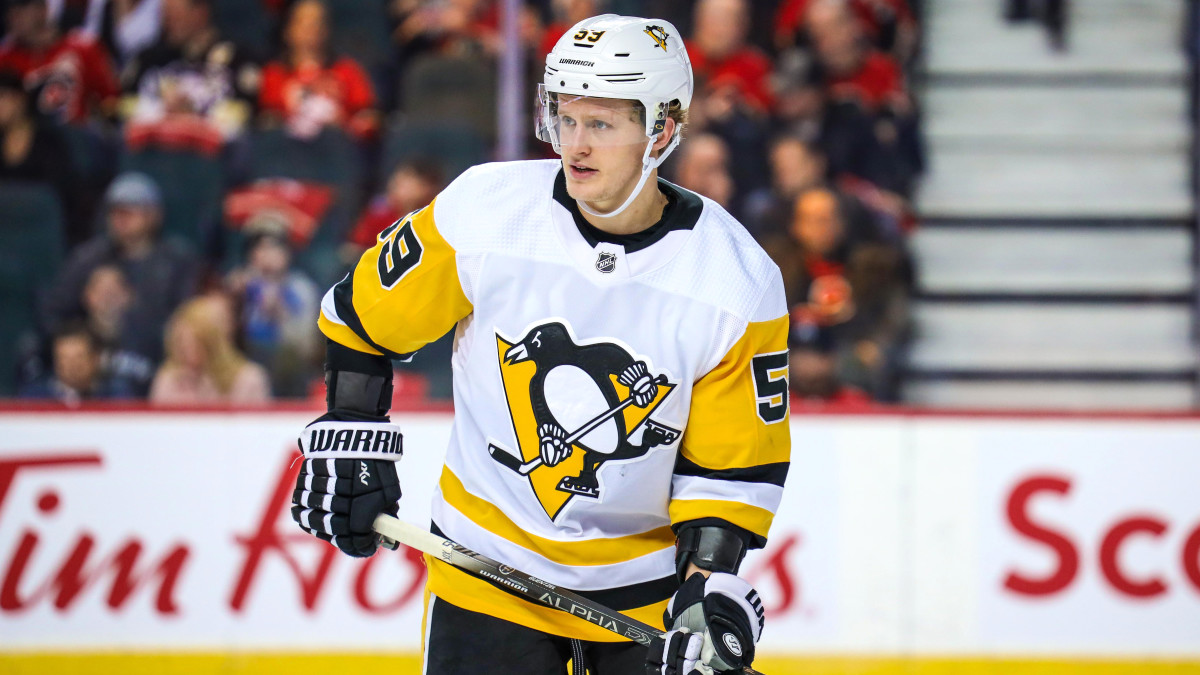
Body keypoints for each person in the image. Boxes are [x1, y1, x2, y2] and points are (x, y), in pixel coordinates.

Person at [288, 14, 786, 675]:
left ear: (662, 130)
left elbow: (727, 470)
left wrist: (708, 583)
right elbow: (364, 318)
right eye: (565, 118)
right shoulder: (485, 211)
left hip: (647, 603)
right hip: (484, 576)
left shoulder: (735, 281)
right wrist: (351, 428)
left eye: (601, 125)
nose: (575, 145)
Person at [41, 171, 199, 367]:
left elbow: (186, 317)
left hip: (157, 357)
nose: (121, 219)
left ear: (154, 215)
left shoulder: (177, 260)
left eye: (129, 212)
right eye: (115, 212)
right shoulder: (88, 259)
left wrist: (133, 313)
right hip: (92, 361)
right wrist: (89, 327)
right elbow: (55, 312)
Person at [258, 0, 378, 142]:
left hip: (338, 146)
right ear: (287, 29)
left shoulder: (347, 70)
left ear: (326, 29)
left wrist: (344, 123)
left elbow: (369, 119)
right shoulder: (274, 74)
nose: (312, 29)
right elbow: (267, 124)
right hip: (289, 149)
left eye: (317, 22)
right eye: (304, 22)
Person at [0, 0, 120, 125]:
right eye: (10, 11)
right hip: (27, 133)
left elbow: (110, 99)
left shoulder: (83, 48)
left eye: (20, 9)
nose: (13, 17)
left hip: (77, 131)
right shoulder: (4, 59)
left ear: (43, 9)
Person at [149, 296, 271, 404]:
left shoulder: (249, 379)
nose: (188, 353)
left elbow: (254, 421)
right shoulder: (167, 379)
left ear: (212, 343)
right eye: (181, 345)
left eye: (197, 344)